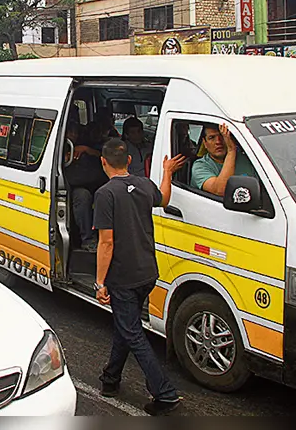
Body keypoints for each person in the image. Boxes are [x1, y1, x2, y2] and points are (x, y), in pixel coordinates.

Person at [93, 138, 186, 415]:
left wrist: (100, 282)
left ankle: (165, 394)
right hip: (148, 272)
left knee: (132, 332)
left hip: (123, 276)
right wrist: (167, 171)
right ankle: (110, 379)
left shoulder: (105, 194)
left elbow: (106, 242)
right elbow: (164, 198)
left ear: (103, 162)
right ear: (129, 161)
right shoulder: (145, 184)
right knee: (126, 324)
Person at [63, 121, 107, 251]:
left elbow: (102, 155)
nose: (74, 135)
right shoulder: (61, 146)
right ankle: (88, 240)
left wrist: (86, 150)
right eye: (71, 132)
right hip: (73, 186)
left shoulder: (85, 145)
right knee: (82, 196)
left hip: (93, 182)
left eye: (76, 132)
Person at [191, 123, 257, 196]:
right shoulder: (200, 166)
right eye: (212, 138)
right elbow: (221, 190)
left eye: (222, 136)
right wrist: (231, 151)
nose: (218, 142)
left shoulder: (248, 158)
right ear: (205, 143)